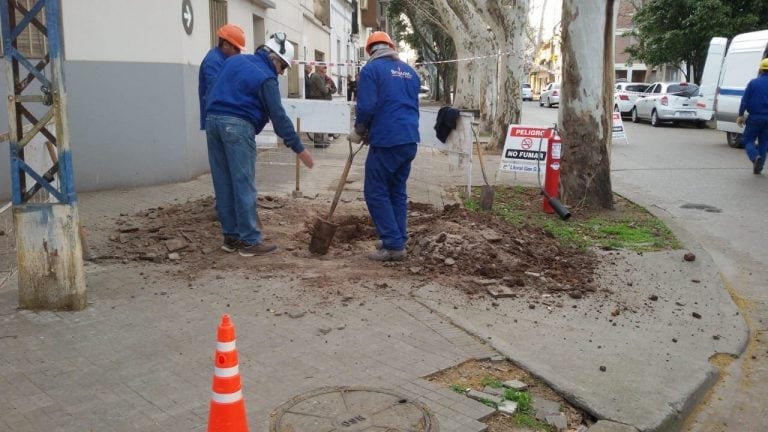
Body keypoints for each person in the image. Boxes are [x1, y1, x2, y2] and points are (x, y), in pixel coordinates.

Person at [205, 32, 314, 256]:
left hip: (212, 122)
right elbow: (279, 117)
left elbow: (212, 88)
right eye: (283, 67)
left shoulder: (234, 61)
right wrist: (299, 148)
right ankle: (250, 241)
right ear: (275, 58)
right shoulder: (265, 76)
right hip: (237, 125)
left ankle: (231, 238)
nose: (281, 72)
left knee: (223, 182)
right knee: (243, 183)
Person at [349, 31, 420, 262]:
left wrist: (360, 130)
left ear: (370, 51)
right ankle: (397, 236)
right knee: (396, 190)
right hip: (409, 139)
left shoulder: (371, 70)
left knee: (376, 191)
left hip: (388, 140)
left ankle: (392, 244)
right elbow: (400, 103)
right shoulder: (410, 72)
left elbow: (368, 106)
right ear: (391, 46)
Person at [198, 24, 245, 131]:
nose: (239, 53)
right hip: (220, 118)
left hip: (222, 118)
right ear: (225, 45)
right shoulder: (213, 61)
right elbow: (217, 91)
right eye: (236, 49)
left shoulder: (224, 60)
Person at [737, 58, 768, 175]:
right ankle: (759, 168)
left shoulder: (753, 83)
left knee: (747, 139)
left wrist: (740, 115)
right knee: (764, 142)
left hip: (755, 117)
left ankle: (755, 158)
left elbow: (744, 101)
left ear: (760, 70)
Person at [307, 64, 337, 146]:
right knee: (318, 120)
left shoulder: (325, 77)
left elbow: (333, 89)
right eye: (323, 66)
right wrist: (327, 87)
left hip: (323, 100)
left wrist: (328, 88)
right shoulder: (316, 76)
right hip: (318, 100)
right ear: (318, 67)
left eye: (325, 66)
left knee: (322, 120)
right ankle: (318, 141)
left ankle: (321, 140)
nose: (325, 67)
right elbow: (324, 90)